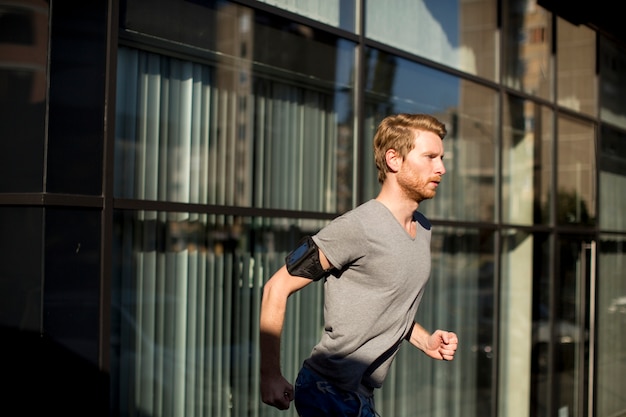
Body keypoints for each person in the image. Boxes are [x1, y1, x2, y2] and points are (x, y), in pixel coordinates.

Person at [259, 113, 459, 416]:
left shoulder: (423, 229)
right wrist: (270, 375)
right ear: (394, 159)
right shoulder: (358, 227)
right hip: (327, 391)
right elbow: (276, 287)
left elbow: (387, 306)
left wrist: (424, 339)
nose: (441, 168)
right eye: (430, 157)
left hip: (361, 395)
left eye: (441, 157)